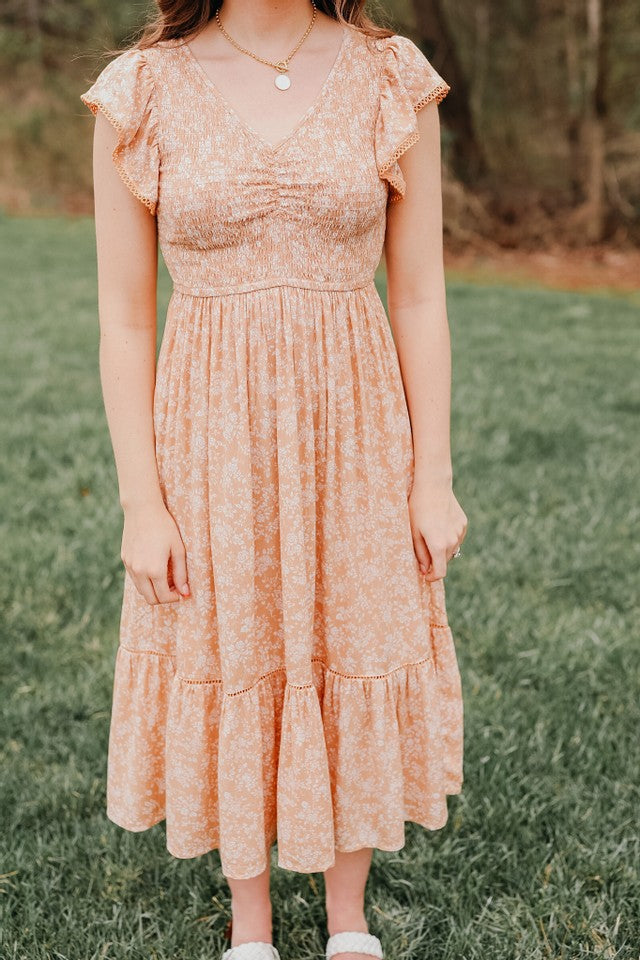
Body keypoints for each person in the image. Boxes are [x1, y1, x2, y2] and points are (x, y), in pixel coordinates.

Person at [80, 1, 467, 958]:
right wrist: (140, 499)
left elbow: (419, 295)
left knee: (354, 626)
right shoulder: (141, 90)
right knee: (234, 636)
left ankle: (348, 923)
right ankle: (248, 927)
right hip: (211, 438)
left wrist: (433, 475)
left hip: (357, 426)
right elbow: (125, 318)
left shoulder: (390, 75)